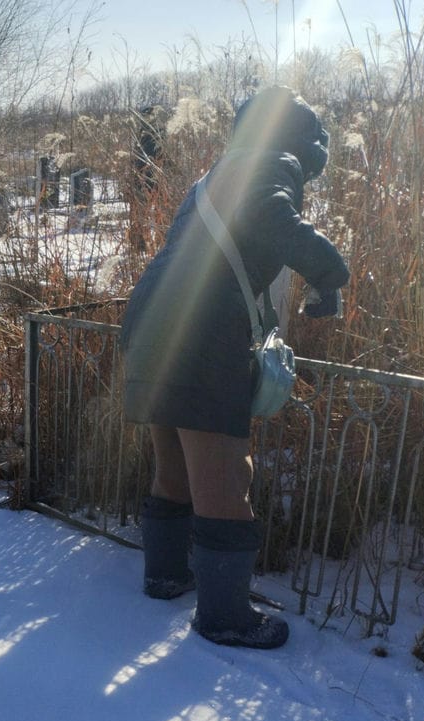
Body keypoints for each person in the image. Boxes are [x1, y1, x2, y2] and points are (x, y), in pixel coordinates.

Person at [120, 86, 349, 650]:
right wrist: (331, 274)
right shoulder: (273, 162)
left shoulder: (219, 172)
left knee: (172, 465)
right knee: (227, 477)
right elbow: (275, 221)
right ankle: (223, 617)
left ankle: (165, 575)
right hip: (199, 340)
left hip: (151, 329)